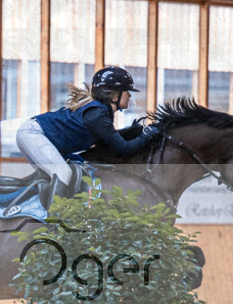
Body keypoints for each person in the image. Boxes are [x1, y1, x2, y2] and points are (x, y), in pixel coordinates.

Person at [13, 66, 161, 211]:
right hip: (33, 134)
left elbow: (112, 143)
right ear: (115, 96)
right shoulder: (98, 115)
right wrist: (147, 133)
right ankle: (54, 223)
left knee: (72, 170)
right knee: (63, 173)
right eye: (127, 91)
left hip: (40, 136)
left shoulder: (101, 113)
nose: (129, 95)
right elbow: (124, 148)